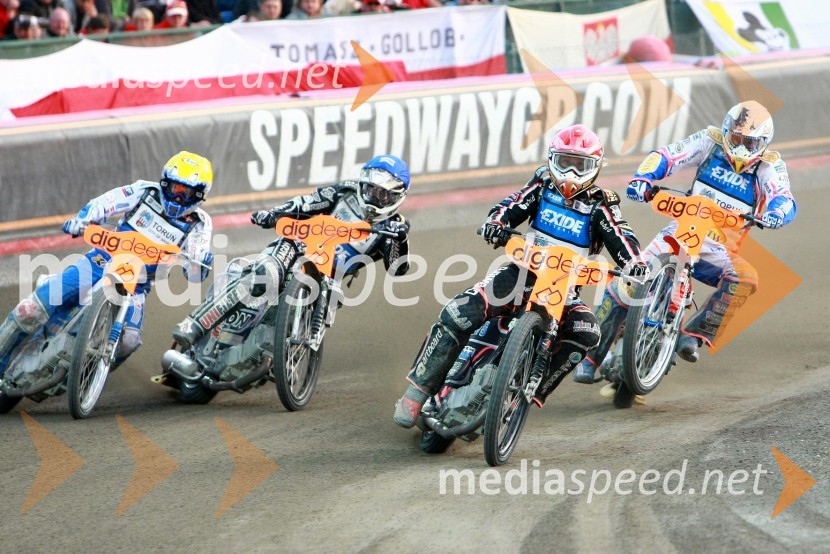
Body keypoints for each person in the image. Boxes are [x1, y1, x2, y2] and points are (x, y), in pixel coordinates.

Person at [392, 125, 648, 428]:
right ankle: (416, 393)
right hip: (521, 275)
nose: (569, 172)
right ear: (552, 158)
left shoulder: (602, 204)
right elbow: (511, 205)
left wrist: (635, 263)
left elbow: (622, 237)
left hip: (564, 292)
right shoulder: (542, 185)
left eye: (579, 165)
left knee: (587, 333)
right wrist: (496, 222)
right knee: (459, 312)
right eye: (564, 161)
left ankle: (525, 393)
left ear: (595, 168)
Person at [573, 100, 796, 385]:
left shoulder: (769, 166)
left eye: (750, 143)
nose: (740, 148)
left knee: (747, 278)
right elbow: (668, 155)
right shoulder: (709, 140)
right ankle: (591, 358)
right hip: (678, 233)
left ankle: (692, 336)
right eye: (736, 138)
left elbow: (784, 198)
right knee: (627, 280)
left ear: (763, 143)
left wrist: (777, 214)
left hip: (717, 249)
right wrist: (643, 178)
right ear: (726, 131)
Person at [0, 152, 215, 377]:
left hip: (137, 285)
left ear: (199, 195)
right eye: (174, 188)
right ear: (164, 182)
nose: (177, 197)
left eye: (186, 193)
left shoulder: (200, 224)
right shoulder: (145, 191)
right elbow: (106, 202)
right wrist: (83, 220)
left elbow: (194, 270)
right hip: (99, 262)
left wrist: (200, 265)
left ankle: (87, 377)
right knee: (29, 310)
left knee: (129, 342)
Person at [172, 155, 412, 349]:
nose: (373, 197)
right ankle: (195, 324)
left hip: (328, 280)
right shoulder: (344, 192)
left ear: (396, 197)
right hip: (297, 247)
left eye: (382, 194)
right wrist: (274, 213)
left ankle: (286, 349)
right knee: (266, 273)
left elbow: (398, 268)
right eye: (370, 189)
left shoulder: (394, 227)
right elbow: (305, 203)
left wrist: (401, 238)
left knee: (334, 295)